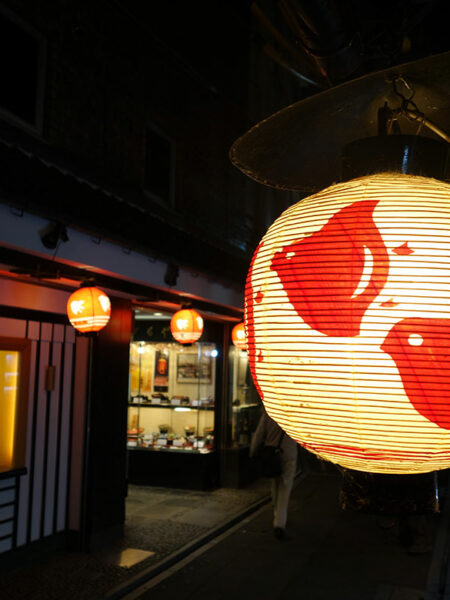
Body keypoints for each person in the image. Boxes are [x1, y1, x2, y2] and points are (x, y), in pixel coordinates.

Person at [250, 410, 298, 539]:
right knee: (285, 486)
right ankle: (279, 523)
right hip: (289, 453)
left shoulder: (269, 412)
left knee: (275, 483)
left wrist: (253, 450)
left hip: (271, 454)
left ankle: (277, 513)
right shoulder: (293, 414)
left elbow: (259, 433)